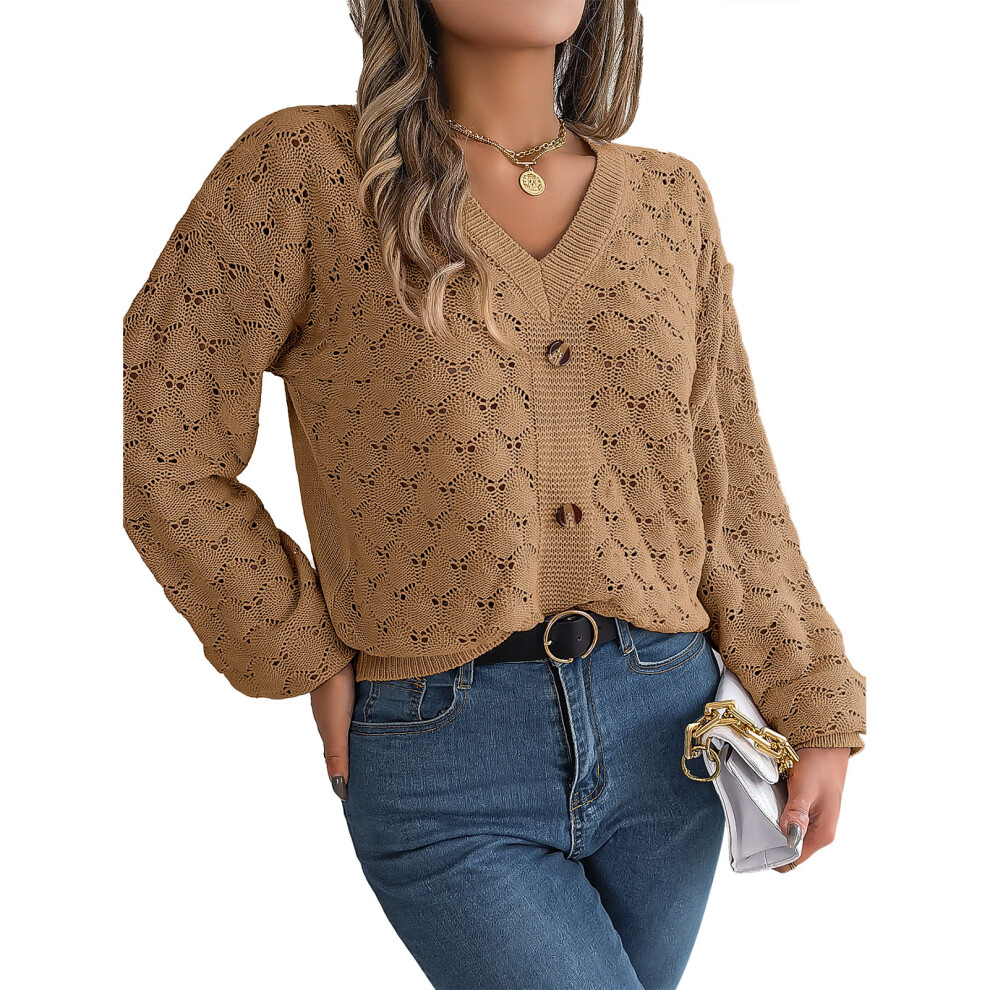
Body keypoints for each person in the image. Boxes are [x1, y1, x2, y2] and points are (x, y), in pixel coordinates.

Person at [121, 1, 867, 987]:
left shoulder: (671, 201)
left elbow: (734, 488)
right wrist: (298, 643)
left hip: (670, 739)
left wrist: (813, 701)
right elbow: (163, 442)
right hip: (444, 752)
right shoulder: (306, 174)